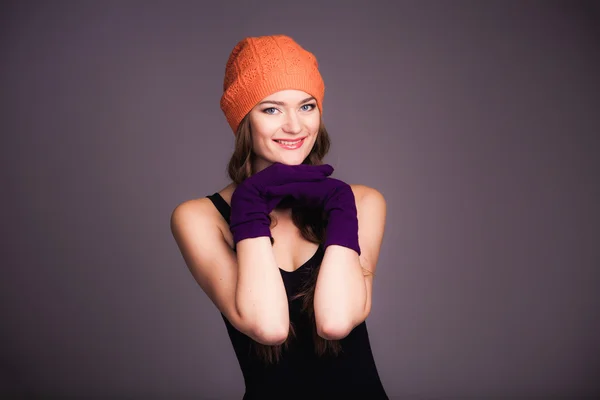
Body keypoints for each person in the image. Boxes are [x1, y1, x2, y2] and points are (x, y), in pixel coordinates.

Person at [170, 34, 388, 399]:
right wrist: (251, 199)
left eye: (307, 106)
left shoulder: (360, 201)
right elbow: (268, 326)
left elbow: (335, 322)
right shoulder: (198, 218)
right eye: (271, 109)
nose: (295, 126)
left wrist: (339, 202)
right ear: (243, 121)